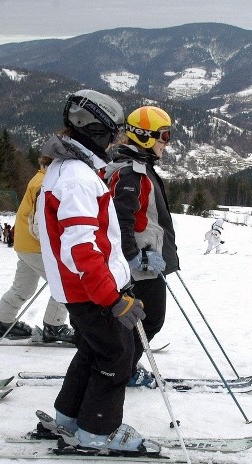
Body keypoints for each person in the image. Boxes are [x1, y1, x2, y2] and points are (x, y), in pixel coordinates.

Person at [37, 89, 158, 453]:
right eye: (113, 133)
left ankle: (69, 418)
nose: (115, 141)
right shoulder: (76, 178)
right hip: (92, 289)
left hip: (84, 288)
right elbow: (81, 249)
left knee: (93, 350)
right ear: (97, 131)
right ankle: (97, 430)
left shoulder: (71, 169)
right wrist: (113, 298)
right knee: (117, 356)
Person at [104, 105, 180, 388]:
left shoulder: (138, 169)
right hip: (141, 266)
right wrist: (134, 257)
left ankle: (121, 366)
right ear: (146, 137)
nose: (166, 143)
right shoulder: (132, 174)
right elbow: (120, 221)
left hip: (148, 261)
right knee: (150, 319)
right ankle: (121, 369)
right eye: (164, 136)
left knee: (142, 320)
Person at [0, 165, 74, 343]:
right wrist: (56, 245)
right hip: (37, 246)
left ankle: (3, 321)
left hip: (26, 244)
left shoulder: (40, 178)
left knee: (23, 287)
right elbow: (39, 223)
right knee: (66, 283)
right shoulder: (44, 183)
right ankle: (54, 325)